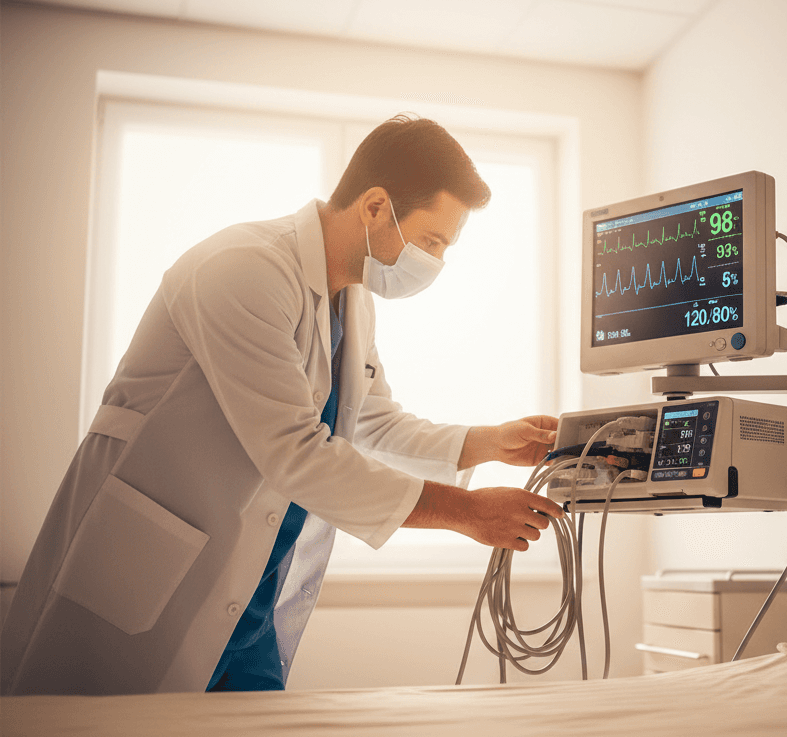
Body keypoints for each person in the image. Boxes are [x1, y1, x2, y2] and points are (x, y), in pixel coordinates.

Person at [1, 114, 563, 696]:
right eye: (431, 241)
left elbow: (369, 417)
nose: (436, 262)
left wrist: (488, 441)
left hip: (251, 586)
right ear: (375, 206)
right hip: (148, 562)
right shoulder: (244, 268)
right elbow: (296, 452)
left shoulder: (354, 299)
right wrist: (467, 512)